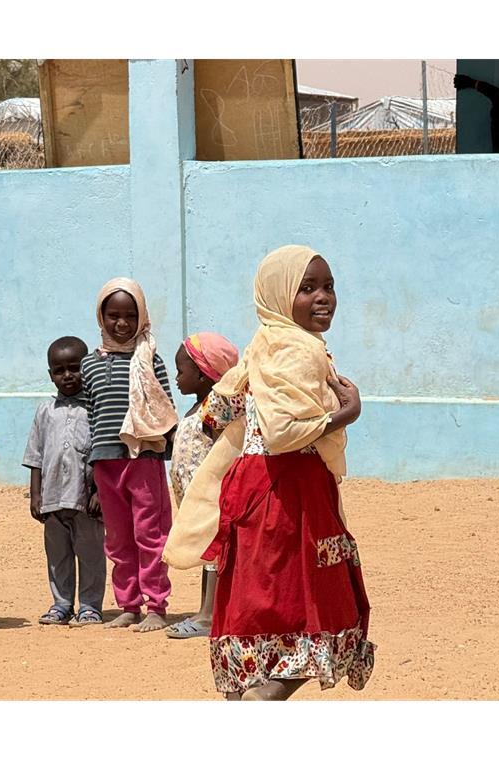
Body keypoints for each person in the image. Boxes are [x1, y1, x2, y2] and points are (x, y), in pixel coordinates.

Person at [164, 245, 375, 700]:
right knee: (316, 607)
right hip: (290, 491)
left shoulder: (262, 346)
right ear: (279, 295)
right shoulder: (299, 351)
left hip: (252, 490)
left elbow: (214, 414)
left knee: (261, 603)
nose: (324, 298)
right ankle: (267, 696)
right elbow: (284, 432)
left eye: (329, 286)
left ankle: (252, 695)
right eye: (307, 287)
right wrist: (347, 412)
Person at [81, 278, 179, 633]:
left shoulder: (150, 360)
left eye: (129, 315)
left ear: (141, 318)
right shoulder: (89, 365)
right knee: (118, 538)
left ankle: (156, 605)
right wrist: (90, 467)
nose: (121, 323)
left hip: (143, 461)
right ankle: (128, 604)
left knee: (149, 535)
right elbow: (90, 415)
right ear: (101, 317)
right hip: (106, 462)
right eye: (113, 315)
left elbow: (165, 408)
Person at [23, 336, 106, 627]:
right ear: (50, 374)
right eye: (60, 370)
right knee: (58, 556)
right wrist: (36, 496)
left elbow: (105, 454)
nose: (68, 375)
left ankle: (91, 606)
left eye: (75, 368)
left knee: (91, 554)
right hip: (53, 498)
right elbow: (35, 456)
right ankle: (61, 603)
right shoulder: (46, 412)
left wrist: (100, 493)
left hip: (86, 501)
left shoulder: (96, 410)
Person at [163, 332, 239, 640]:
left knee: (213, 555)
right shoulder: (197, 409)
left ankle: (209, 617)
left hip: (211, 498)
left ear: (204, 374)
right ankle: (208, 612)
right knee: (207, 556)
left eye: (182, 371)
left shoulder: (213, 412)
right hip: (195, 499)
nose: (177, 377)